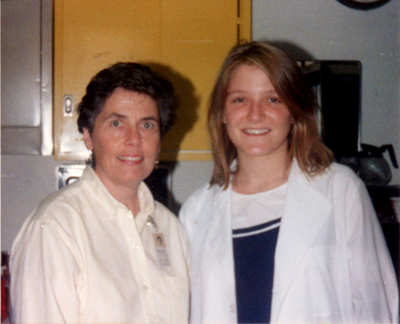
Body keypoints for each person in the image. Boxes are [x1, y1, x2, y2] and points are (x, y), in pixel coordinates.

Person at [179, 42, 398, 323]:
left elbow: (376, 308)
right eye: (240, 100)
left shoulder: (340, 191)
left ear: (294, 111)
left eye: (273, 99)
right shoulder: (196, 212)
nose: (255, 114)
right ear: (222, 113)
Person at [10, 62, 190, 323]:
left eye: (147, 125)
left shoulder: (171, 229)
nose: (134, 139)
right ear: (88, 135)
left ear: (160, 139)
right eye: (117, 123)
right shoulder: (56, 226)